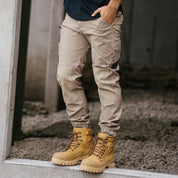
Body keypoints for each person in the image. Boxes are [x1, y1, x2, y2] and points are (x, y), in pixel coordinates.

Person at [51, 0, 124, 173]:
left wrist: (113, 6)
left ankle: (106, 145)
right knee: (65, 75)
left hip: (103, 17)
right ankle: (82, 139)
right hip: (73, 17)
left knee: (105, 80)